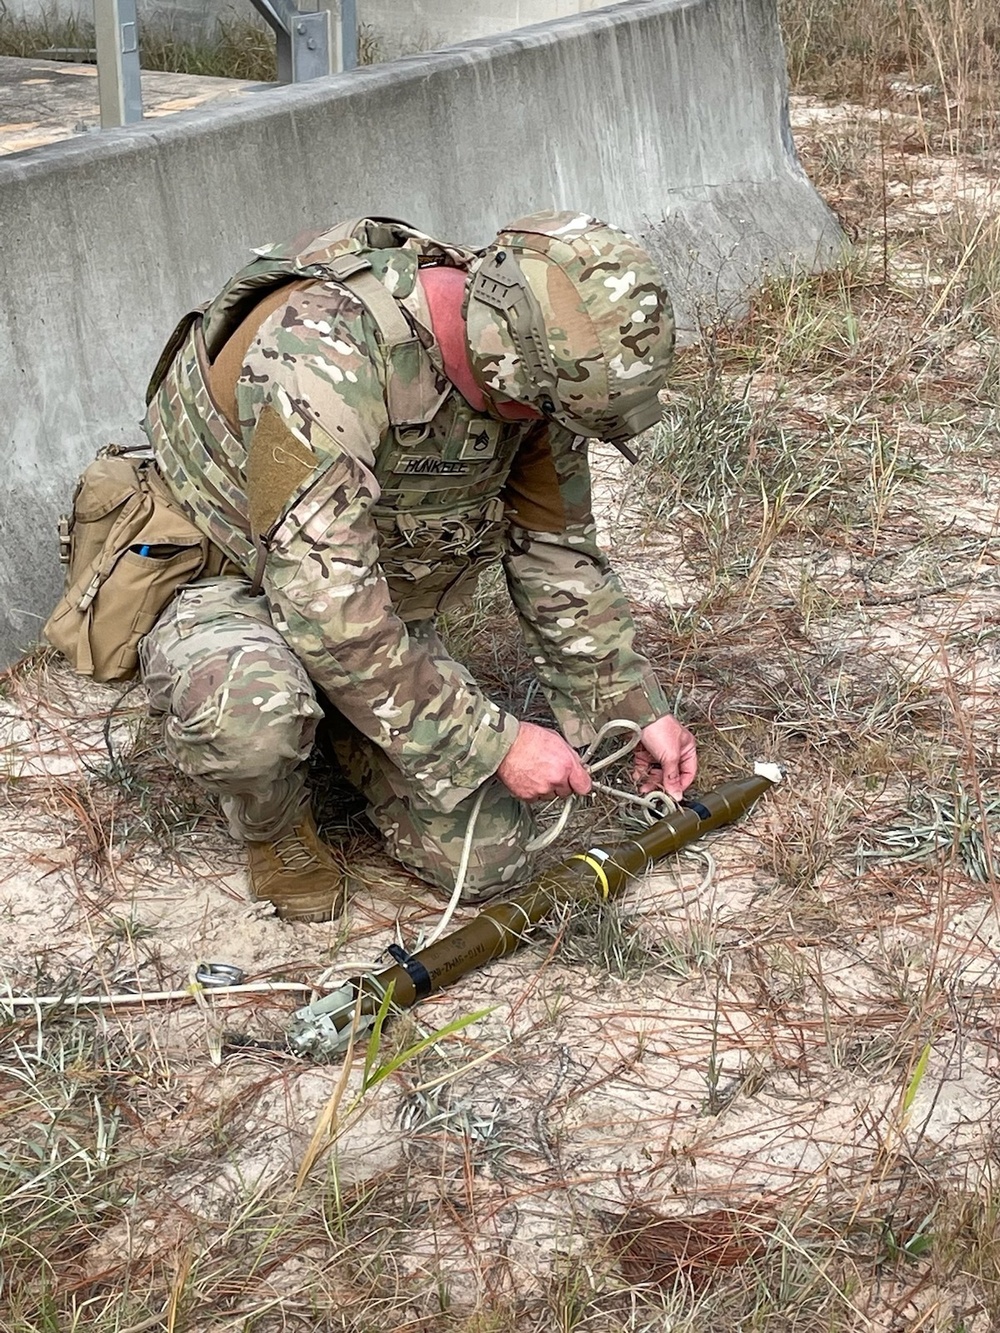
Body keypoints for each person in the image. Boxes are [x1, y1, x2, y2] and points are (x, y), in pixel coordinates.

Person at [139, 210, 698, 922]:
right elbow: (326, 608)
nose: (550, 429)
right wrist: (495, 743)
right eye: (547, 410)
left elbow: (557, 556)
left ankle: (347, 721)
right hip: (227, 576)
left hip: (364, 594)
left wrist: (629, 709)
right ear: (507, 367)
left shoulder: (536, 375)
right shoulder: (324, 350)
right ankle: (272, 821)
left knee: (491, 857)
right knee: (251, 718)